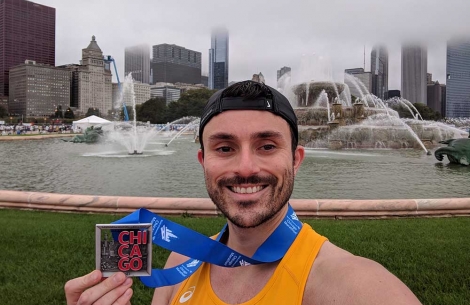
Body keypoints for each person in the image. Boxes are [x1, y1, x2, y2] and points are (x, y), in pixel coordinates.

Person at [65, 80, 422, 305]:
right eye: (225, 149)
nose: (246, 167)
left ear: (296, 159)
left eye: (267, 146)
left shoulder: (356, 285)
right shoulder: (180, 264)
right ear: (203, 160)